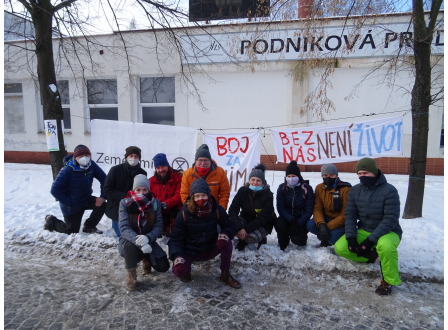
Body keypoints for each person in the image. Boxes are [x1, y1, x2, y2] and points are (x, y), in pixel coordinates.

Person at [334, 158, 402, 296]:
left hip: (388, 231)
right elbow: (350, 215)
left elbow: (390, 219)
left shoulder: (390, 190)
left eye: (365, 173)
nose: (361, 176)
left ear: (374, 172)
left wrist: (370, 240)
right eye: (359, 173)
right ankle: (371, 256)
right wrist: (351, 237)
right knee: (340, 247)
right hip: (365, 229)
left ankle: (389, 281)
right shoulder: (355, 190)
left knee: (386, 246)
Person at [168, 179, 241, 288]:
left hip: (210, 247)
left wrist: (225, 234)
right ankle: (186, 270)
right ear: (192, 197)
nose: (200, 199)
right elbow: (175, 239)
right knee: (179, 272)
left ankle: (225, 273)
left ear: (209, 195)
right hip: (190, 251)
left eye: (203, 195)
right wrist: (177, 256)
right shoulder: (183, 214)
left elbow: (230, 225)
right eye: (197, 196)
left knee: (227, 242)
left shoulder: (217, 209)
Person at [117, 174, 170, 291]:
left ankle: (146, 259)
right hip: (129, 241)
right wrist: (140, 241)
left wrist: (148, 238)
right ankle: (131, 275)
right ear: (133, 189)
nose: (141, 192)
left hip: (149, 241)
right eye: (138, 189)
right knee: (131, 247)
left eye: (145, 189)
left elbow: (158, 226)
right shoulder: (125, 203)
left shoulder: (155, 203)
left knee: (163, 266)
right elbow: (124, 227)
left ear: (149, 190)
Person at [45, 145, 107, 235]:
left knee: (101, 204)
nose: (84, 158)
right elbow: (55, 189)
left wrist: (102, 196)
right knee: (71, 231)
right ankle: (51, 221)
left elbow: (104, 178)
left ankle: (89, 226)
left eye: (87, 155)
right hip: (71, 205)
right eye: (81, 156)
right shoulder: (67, 169)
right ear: (75, 157)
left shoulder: (91, 165)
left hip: (85, 199)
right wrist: (69, 202)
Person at [228, 163, 276, 251]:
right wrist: (240, 227)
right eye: (252, 179)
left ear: (263, 182)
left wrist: (244, 229)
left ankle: (260, 238)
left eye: (258, 180)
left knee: (251, 237)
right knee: (231, 226)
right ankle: (242, 239)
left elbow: (263, 218)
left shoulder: (268, 195)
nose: (255, 183)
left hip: (263, 223)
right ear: (249, 180)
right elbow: (232, 210)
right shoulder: (243, 191)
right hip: (245, 219)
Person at [104, 146, 147, 237]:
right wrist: (126, 196)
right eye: (131, 156)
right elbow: (107, 189)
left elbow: (143, 191)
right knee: (124, 236)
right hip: (116, 207)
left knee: (135, 233)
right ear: (126, 157)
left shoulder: (142, 173)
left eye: (136, 156)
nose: (134, 158)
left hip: (134, 207)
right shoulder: (115, 170)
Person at [306, 164, 352, 247]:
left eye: (332, 175)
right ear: (322, 176)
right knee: (310, 225)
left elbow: (345, 214)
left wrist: (326, 227)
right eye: (325, 175)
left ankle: (328, 240)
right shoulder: (319, 188)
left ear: (336, 175)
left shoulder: (345, 189)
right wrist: (321, 224)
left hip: (341, 222)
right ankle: (324, 236)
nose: (328, 177)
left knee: (332, 237)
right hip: (326, 218)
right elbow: (317, 208)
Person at [274, 160, 315, 250]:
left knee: (298, 239)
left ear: (298, 176)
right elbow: (280, 208)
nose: (291, 178)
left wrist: (298, 222)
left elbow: (309, 210)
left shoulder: (307, 189)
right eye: (288, 176)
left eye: (293, 176)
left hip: (301, 218)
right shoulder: (282, 188)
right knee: (279, 224)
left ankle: (302, 239)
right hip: (287, 217)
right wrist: (291, 219)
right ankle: (283, 242)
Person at [180, 144, 230, 210]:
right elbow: (185, 194)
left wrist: (220, 210)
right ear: (195, 161)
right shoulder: (187, 174)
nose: (203, 163)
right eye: (200, 160)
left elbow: (224, 193)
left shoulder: (220, 172)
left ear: (210, 160)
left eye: (206, 160)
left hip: (214, 210)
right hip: (194, 210)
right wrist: (192, 210)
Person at [149, 153, 183, 236]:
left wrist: (166, 204)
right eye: (158, 168)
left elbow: (179, 196)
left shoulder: (178, 177)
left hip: (173, 210)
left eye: (163, 166)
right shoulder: (150, 181)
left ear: (167, 165)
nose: (161, 170)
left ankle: (174, 232)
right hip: (158, 211)